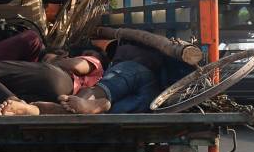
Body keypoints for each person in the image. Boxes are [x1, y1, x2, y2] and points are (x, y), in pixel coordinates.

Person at [36, 42, 166, 115]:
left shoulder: (110, 62)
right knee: (109, 109)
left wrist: (47, 64)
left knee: (103, 88)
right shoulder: (98, 73)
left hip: (141, 79)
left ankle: (81, 105)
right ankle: (74, 110)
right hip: (140, 103)